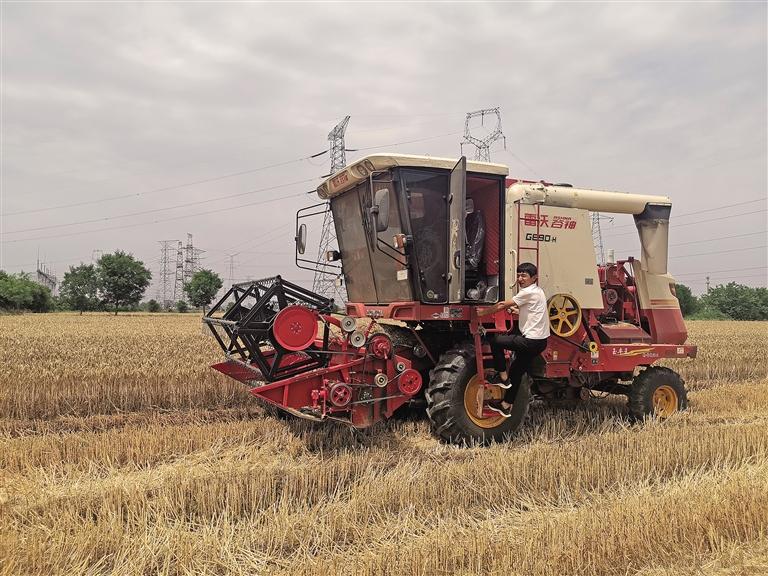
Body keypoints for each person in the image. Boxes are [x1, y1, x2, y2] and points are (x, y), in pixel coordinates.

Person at [477, 262, 550, 418]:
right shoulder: (539, 292)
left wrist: (482, 313)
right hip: (540, 342)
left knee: (496, 341)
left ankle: (501, 376)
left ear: (534, 278)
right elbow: (531, 313)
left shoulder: (528, 292)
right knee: (516, 373)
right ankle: (506, 405)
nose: (519, 279)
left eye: (524, 276)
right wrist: (516, 311)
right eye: (518, 275)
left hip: (531, 341)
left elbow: (502, 304)